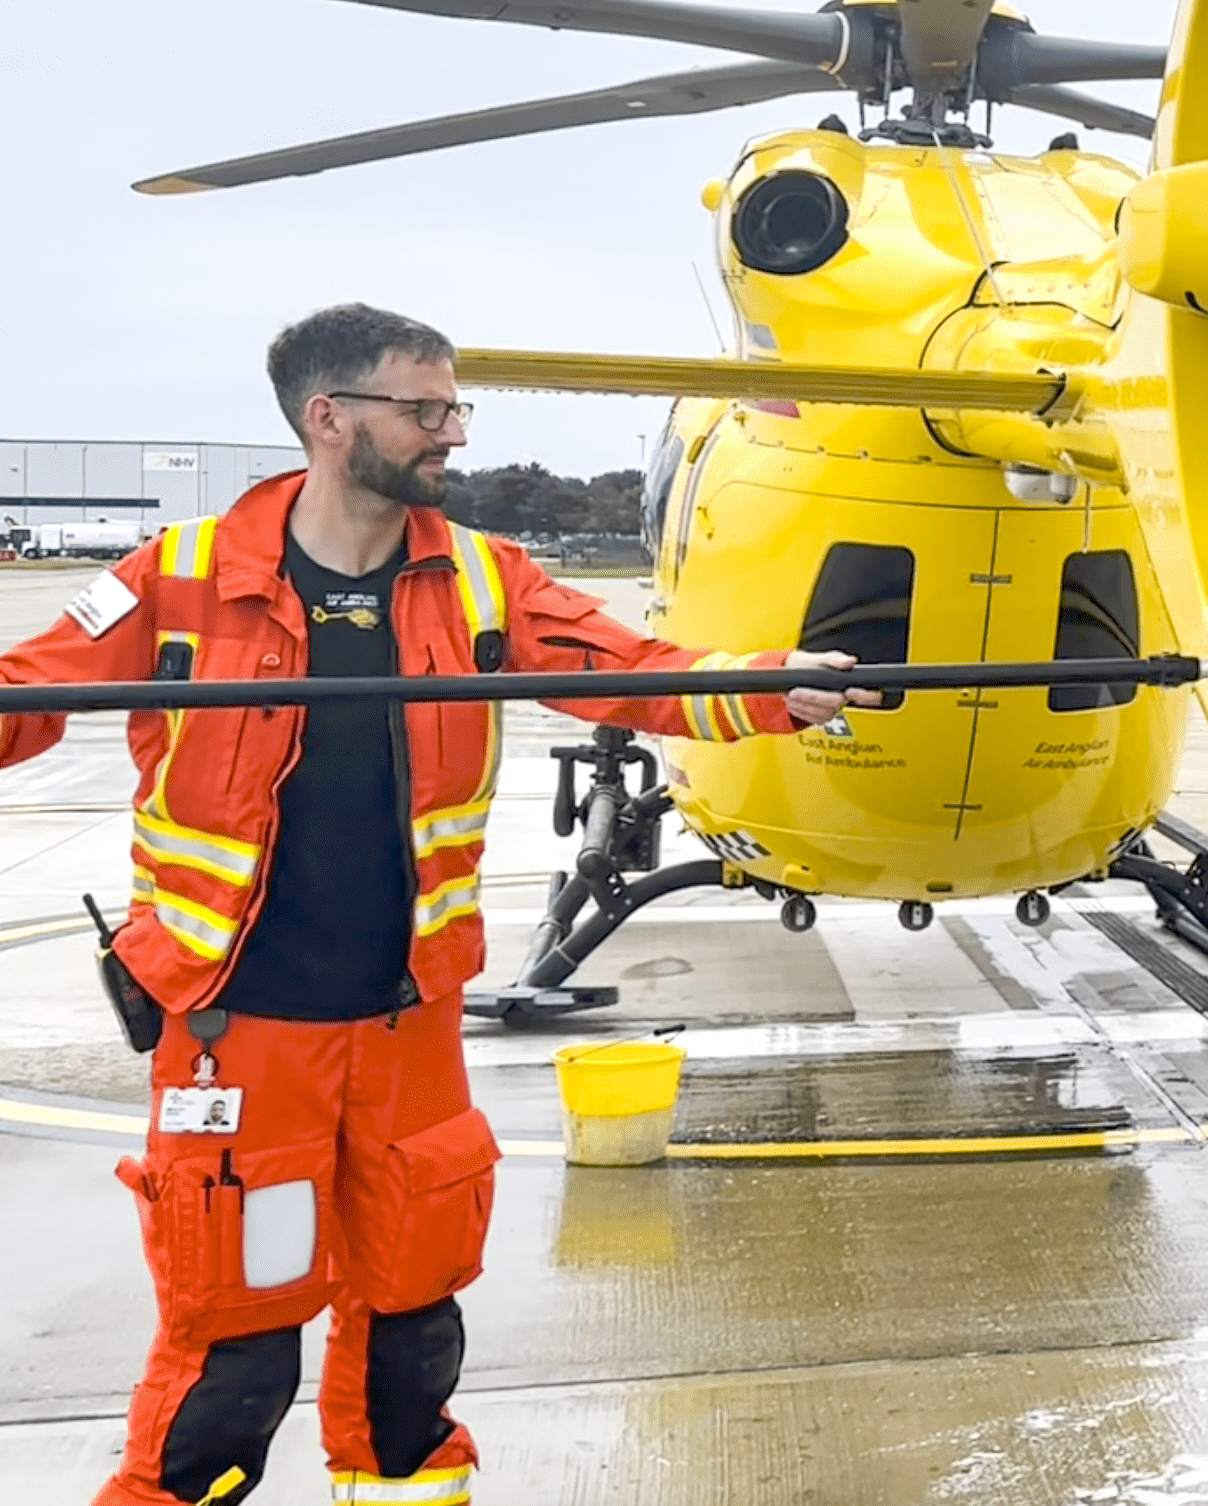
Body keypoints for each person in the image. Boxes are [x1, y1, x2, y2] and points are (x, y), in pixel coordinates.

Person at [0, 305, 877, 1506]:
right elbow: (26, 695)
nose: (449, 434)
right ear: (329, 418)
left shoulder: (479, 576)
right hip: (239, 1032)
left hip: (411, 1025)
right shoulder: (179, 578)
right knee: (233, 1357)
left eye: (454, 408)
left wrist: (774, 688)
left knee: (414, 1340)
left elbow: (631, 671)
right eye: (423, 408)